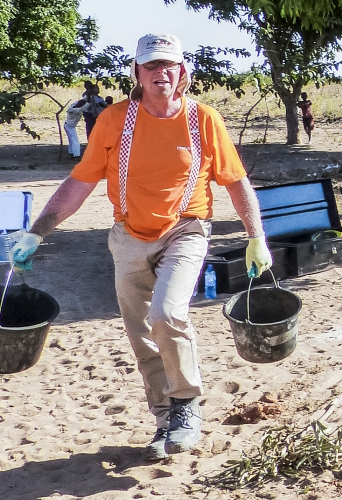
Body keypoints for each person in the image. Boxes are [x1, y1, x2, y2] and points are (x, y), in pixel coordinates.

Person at [8, 33, 273, 462]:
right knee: (141, 335)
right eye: (150, 66)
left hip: (186, 231)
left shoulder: (203, 119)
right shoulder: (114, 120)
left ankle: (186, 404)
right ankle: (164, 418)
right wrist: (38, 232)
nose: (160, 73)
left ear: (183, 73)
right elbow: (81, 181)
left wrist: (255, 237)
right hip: (127, 237)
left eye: (168, 65)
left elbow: (235, 181)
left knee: (167, 314)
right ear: (137, 73)